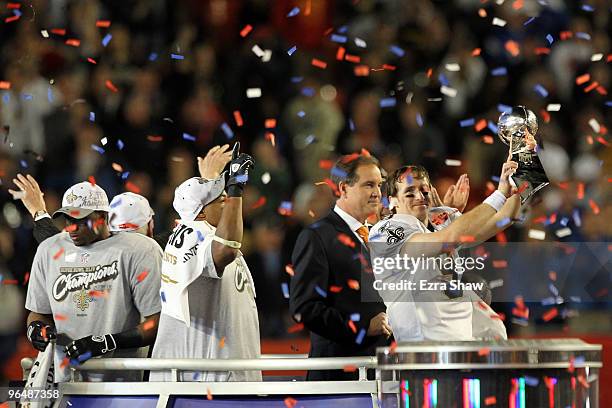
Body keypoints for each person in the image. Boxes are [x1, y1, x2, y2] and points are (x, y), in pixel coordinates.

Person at [24, 181, 162, 382]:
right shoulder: (49, 249)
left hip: (121, 382)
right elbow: (38, 313)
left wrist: (110, 341)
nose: (71, 227)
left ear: (103, 216)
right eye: (67, 218)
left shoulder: (139, 249)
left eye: (80, 220)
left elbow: (157, 322)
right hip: (64, 381)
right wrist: (36, 329)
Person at [368, 162, 519, 341]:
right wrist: (499, 194)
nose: (419, 196)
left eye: (424, 191)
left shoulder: (438, 224)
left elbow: (504, 219)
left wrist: (519, 179)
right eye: (409, 192)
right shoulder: (385, 231)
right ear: (391, 200)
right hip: (426, 347)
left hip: (463, 341)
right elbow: (449, 237)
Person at [149, 143, 261, 382]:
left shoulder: (203, 229)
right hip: (204, 383)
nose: (227, 201)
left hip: (221, 374)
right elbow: (226, 249)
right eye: (221, 200)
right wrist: (235, 190)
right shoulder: (192, 234)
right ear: (200, 214)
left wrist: (215, 181)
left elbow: (218, 228)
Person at [289, 153, 392, 381]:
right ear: (343, 188)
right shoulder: (317, 236)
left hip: (381, 374)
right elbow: (304, 308)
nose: (377, 193)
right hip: (337, 379)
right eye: (368, 185)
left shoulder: (380, 235)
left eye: (379, 185)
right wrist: (363, 326)